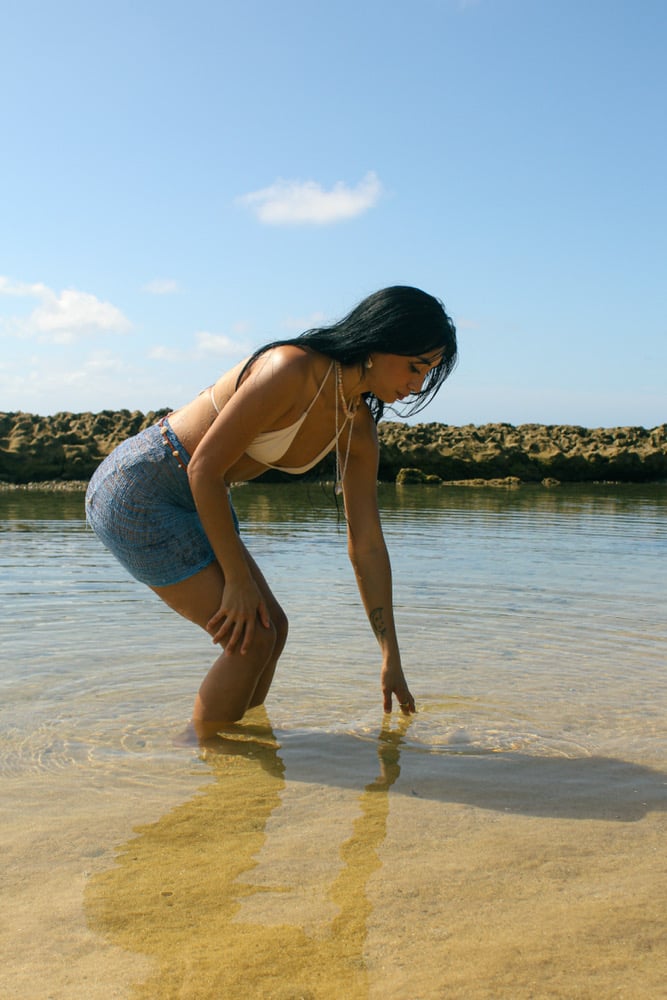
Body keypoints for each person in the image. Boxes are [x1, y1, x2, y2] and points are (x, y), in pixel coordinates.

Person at [85, 285, 458, 740]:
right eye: (414, 366)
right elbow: (204, 466)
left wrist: (390, 656)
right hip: (143, 487)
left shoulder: (357, 428)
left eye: (429, 372)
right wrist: (237, 580)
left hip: (202, 497)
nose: (417, 384)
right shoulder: (292, 369)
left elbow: (367, 545)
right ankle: (202, 750)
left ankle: (240, 757)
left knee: (272, 629)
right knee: (251, 639)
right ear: (379, 343)